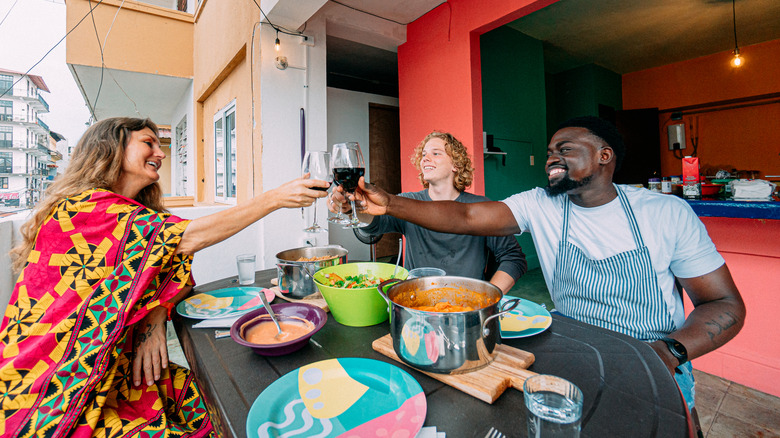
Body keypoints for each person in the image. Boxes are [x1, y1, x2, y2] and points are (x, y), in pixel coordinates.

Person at [348, 116, 745, 411]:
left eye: (565, 149)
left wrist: (667, 352)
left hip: (651, 358)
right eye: (551, 151)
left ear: (604, 156)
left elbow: (724, 304)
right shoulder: (540, 204)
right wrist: (390, 202)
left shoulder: (665, 213)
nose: (552, 158)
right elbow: (467, 217)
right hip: (570, 349)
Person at [0, 117, 328, 437]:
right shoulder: (80, 210)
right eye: (148, 143)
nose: (161, 153)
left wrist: (154, 320)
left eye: (159, 145)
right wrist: (273, 199)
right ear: (110, 149)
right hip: (58, 378)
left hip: (119, 370)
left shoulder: (138, 216)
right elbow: (185, 240)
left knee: (212, 404)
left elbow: (177, 268)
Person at [329, 131, 526, 293]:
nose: (425, 159)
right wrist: (351, 209)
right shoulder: (408, 202)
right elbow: (374, 224)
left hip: (465, 305)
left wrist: (487, 298)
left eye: (436, 153)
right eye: (423, 154)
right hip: (416, 299)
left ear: (456, 165)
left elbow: (513, 258)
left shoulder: (481, 207)